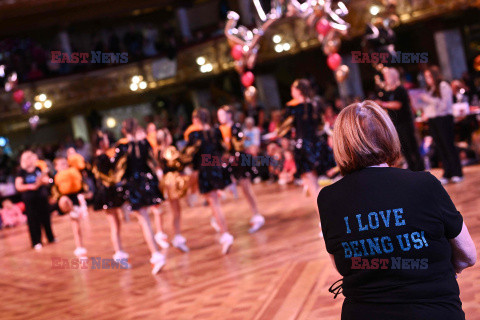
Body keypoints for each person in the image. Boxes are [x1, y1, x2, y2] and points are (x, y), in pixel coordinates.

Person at [317, 100, 476, 320]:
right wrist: (436, 270)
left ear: (341, 144)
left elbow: (343, 265)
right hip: (433, 310)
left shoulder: (328, 198)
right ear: (388, 135)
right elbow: (468, 255)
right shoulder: (424, 184)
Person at [117, 119, 166, 274]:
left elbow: (120, 171)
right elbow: (152, 162)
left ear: (124, 130)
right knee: (149, 217)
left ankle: (155, 254)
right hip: (147, 182)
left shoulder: (123, 147)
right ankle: (156, 251)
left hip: (134, 185)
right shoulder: (144, 143)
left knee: (144, 220)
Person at [185, 108, 234, 254]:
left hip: (205, 169)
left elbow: (192, 155)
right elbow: (222, 149)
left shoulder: (195, 135)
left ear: (196, 120)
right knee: (213, 202)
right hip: (215, 167)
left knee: (214, 203)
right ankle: (220, 226)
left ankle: (225, 233)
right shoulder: (216, 131)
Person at [218, 106, 265, 233]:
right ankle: (217, 218)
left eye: (222, 115)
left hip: (239, 160)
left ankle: (257, 214)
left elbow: (239, 145)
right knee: (231, 188)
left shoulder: (235, 127)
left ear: (229, 115)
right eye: (218, 115)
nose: (220, 118)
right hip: (230, 161)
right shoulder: (220, 129)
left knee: (246, 188)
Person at [91, 131, 129, 264]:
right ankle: (118, 251)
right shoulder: (101, 157)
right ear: (101, 142)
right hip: (107, 193)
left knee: (116, 223)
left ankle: (119, 250)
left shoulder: (100, 155)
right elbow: (109, 176)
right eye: (106, 139)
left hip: (108, 192)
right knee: (114, 224)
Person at [420, 66, 463, 184]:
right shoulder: (430, 89)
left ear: (434, 75)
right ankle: (447, 172)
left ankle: (457, 172)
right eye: (426, 77)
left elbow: (445, 105)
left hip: (444, 119)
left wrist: (429, 100)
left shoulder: (443, 85)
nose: (427, 79)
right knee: (440, 146)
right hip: (433, 120)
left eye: (429, 76)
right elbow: (429, 107)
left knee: (448, 145)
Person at [376, 67, 424, 171]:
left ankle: (420, 167)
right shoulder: (387, 92)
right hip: (396, 124)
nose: (385, 78)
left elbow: (398, 105)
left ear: (393, 77)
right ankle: (411, 168)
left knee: (412, 146)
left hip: (406, 123)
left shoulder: (401, 90)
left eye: (387, 76)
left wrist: (383, 104)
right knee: (404, 148)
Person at [154, 128, 190, 252]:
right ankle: (177, 235)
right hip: (172, 181)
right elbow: (178, 163)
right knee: (176, 211)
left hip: (165, 181)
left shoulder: (158, 151)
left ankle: (175, 235)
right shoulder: (170, 150)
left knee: (174, 210)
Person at [15, 150, 55, 249]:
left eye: (31, 157)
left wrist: (44, 181)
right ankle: (36, 241)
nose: (30, 160)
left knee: (46, 218)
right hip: (30, 200)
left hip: (41, 197)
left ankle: (51, 238)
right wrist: (30, 186)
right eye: (27, 158)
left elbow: (46, 180)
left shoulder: (38, 168)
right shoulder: (21, 172)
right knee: (33, 221)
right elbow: (18, 186)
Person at [52, 157, 88, 258]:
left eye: (65, 163)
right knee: (74, 221)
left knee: (76, 226)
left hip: (75, 197)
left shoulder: (74, 172)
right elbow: (55, 192)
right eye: (61, 164)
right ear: (56, 167)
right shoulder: (57, 178)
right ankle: (79, 246)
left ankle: (79, 246)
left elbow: (81, 185)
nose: (64, 165)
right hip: (65, 199)